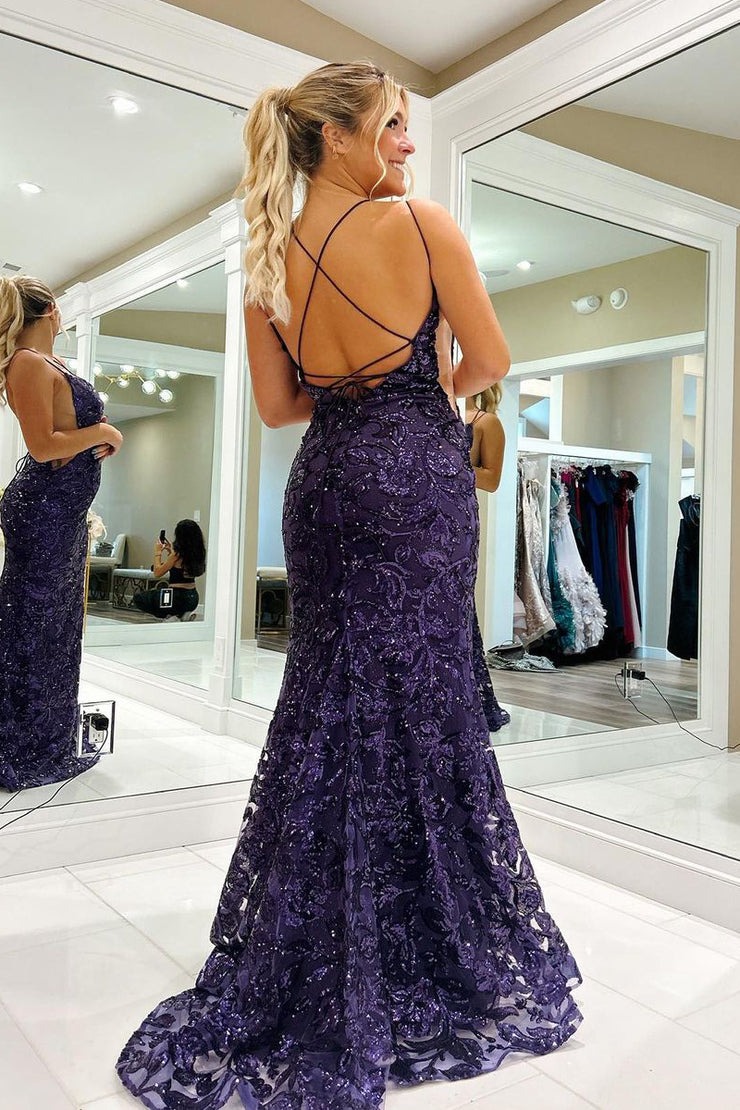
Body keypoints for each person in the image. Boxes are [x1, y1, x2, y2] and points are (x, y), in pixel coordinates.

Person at [117, 61, 582, 1110]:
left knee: (328, 699)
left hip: (324, 484)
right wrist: (417, 389)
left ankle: (324, 939)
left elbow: (281, 408)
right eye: (393, 125)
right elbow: (489, 358)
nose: (407, 143)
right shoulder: (419, 226)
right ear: (337, 136)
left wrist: (354, 394)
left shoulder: (266, 256)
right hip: (413, 474)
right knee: (419, 694)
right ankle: (421, 938)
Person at [0, 275, 123, 791]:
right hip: (42, 511)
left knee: (56, 627)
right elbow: (44, 446)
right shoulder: (27, 362)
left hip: (62, 514)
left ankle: (44, 739)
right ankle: (22, 746)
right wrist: (105, 432)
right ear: (51, 309)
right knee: (35, 627)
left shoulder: (51, 364)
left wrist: (97, 439)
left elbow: (67, 434)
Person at [132, 519, 206, 621]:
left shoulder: (176, 555)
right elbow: (178, 566)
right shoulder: (197, 554)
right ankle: (183, 615)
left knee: (139, 598)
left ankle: (172, 616)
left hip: (176, 599)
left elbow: (157, 573)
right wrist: (170, 551)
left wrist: (158, 552)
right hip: (193, 599)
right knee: (161, 597)